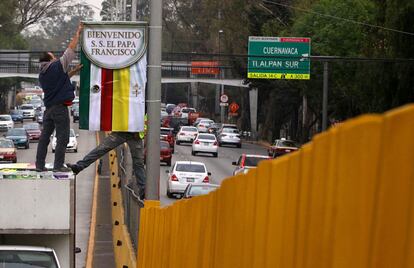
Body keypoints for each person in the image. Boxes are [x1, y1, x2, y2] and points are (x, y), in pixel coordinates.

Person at [35, 23, 83, 172]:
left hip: (48, 109)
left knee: (44, 138)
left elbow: (58, 82)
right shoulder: (56, 65)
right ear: (50, 59)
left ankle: (39, 166)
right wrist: (78, 33)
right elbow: (70, 49)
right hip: (60, 109)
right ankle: (58, 166)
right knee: (63, 137)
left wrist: (73, 71)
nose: (56, 57)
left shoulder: (42, 74)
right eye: (53, 56)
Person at [67, 132, 146, 199]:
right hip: (121, 132)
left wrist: (141, 132)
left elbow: (146, 119)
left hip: (135, 135)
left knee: (138, 163)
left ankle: (143, 190)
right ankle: (79, 167)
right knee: (100, 150)